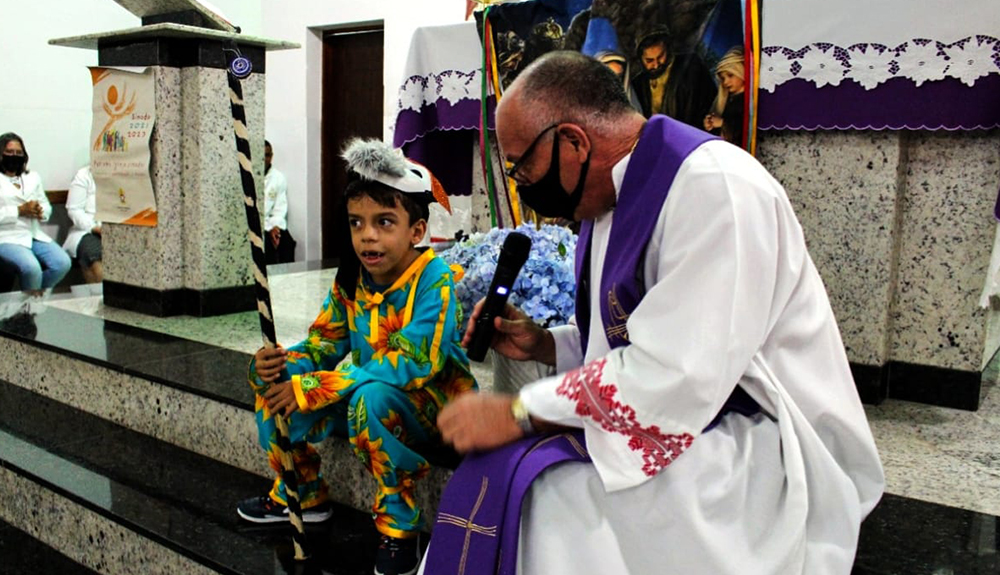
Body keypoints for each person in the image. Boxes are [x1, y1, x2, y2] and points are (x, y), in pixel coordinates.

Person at [423, 51, 884, 574]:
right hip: (675, 407)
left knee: (557, 498)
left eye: (522, 165)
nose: (520, 182)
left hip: (755, 435)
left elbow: (679, 370)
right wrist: (550, 344)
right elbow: (632, 339)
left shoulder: (716, 187)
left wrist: (520, 412)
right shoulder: (603, 202)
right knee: (513, 475)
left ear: (573, 142)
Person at [237, 139, 476, 575]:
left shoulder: (435, 279)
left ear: (416, 231)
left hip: (435, 406)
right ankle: (302, 492)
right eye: (357, 223)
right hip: (367, 386)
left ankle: (402, 523)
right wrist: (282, 366)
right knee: (275, 386)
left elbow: (413, 361)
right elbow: (324, 345)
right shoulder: (352, 278)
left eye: (385, 222)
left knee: (372, 401)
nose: (368, 235)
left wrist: (313, 386)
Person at [0, 133, 71, 294]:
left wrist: (40, 211)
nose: (14, 156)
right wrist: (18, 211)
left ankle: (29, 299)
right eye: (9, 152)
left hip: (32, 233)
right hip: (5, 237)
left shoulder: (32, 177)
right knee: (32, 268)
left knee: (62, 263)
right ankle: (29, 312)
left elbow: (45, 204)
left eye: (19, 153)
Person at [630, 27, 715, 127]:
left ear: (668, 50)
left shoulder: (691, 67)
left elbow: (709, 101)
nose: (656, 65)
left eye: (661, 56)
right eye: (649, 61)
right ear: (641, 59)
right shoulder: (638, 83)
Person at [63, 166, 103, 283]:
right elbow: (74, 210)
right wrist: (94, 228)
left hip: (121, 231)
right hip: (88, 231)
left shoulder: (129, 174)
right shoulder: (84, 175)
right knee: (94, 256)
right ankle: (99, 299)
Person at [703, 47, 745, 146]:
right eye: (722, 78)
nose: (725, 82)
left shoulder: (749, 101)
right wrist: (710, 124)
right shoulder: (725, 100)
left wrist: (723, 123)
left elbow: (746, 129)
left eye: (730, 75)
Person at [263, 140, 296, 265]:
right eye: (261, 156)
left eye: (267, 155)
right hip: (257, 225)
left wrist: (275, 227)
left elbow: (279, 209)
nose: (264, 159)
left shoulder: (278, 178)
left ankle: (288, 281)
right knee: (266, 245)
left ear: (271, 156)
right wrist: (267, 228)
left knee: (287, 241)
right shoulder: (248, 177)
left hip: (272, 224)